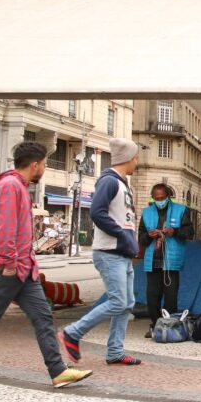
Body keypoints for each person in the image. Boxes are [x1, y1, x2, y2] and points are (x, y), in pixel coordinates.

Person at [0, 142, 93, 387]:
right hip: (8, 269)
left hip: (25, 272)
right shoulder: (10, 186)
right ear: (35, 164)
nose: (45, 169)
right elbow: (5, 228)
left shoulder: (20, 186)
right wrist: (9, 263)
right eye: (45, 165)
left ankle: (58, 371)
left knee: (44, 319)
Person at [60, 138, 142, 366]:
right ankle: (73, 332)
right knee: (118, 302)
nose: (137, 162)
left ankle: (115, 351)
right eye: (136, 157)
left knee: (126, 304)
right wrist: (123, 235)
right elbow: (96, 212)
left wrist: (128, 240)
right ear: (129, 158)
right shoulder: (109, 182)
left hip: (121, 253)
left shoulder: (123, 184)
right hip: (109, 252)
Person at [137, 183, 193, 338]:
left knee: (171, 296)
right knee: (152, 296)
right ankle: (155, 326)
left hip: (171, 261)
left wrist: (174, 232)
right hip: (153, 261)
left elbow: (189, 232)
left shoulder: (181, 210)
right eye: (156, 198)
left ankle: (170, 326)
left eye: (162, 198)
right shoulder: (146, 213)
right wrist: (149, 235)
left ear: (168, 197)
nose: (159, 200)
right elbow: (141, 237)